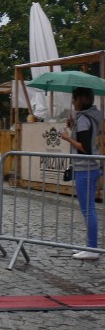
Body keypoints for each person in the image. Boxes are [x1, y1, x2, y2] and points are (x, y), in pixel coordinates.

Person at [61, 87, 103, 260]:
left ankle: (92, 248)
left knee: (88, 210)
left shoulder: (84, 119)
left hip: (85, 168)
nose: (72, 101)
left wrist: (67, 137)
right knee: (89, 209)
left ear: (81, 99)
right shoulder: (87, 118)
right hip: (90, 168)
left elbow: (84, 148)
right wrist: (74, 128)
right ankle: (91, 246)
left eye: (74, 98)